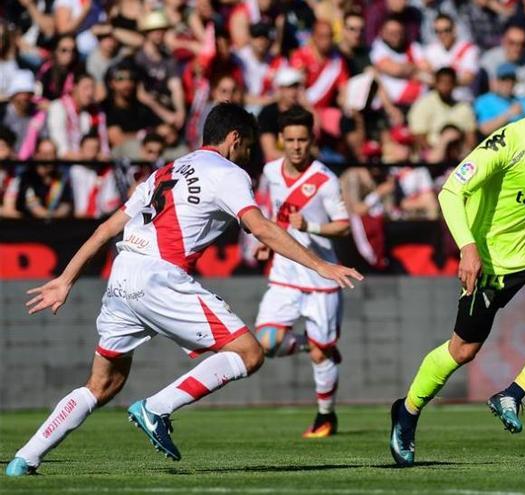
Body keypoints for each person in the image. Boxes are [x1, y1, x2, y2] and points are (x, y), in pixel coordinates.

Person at [5, 103, 362, 477]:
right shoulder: (229, 173)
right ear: (234, 139)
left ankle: (24, 459)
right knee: (249, 353)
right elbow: (263, 227)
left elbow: (108, 228)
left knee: (101, 384)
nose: (249, 156)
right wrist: (322, 265)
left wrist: (66, 279)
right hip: (161, 278)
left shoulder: (167, 169)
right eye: (248, 147)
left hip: (123, 275)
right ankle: (157, 407)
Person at [388, 68, 525, 467]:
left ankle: (512, 394)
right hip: (492, 261)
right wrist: (468, 248)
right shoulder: (506, 143)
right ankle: (408, 410)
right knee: (463, 349)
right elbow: (451, 191)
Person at [253, 107, 352, 438]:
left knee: (322, 356)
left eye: (302, 140)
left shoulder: (326, 180)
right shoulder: (270, 171)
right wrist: (268, 242)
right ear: (280, 140)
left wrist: (310, 225)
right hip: (285, 273)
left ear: (312, 140)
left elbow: (343, 226)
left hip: (321, 278)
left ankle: (326, 416)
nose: (296, 146)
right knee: (266, 342)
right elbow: (272, 213)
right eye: (290, 140)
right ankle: (314, 344)